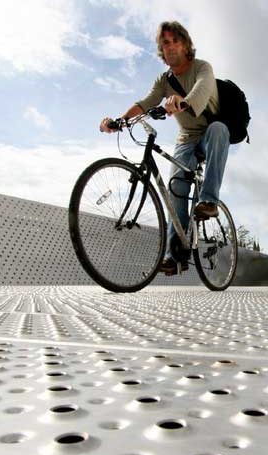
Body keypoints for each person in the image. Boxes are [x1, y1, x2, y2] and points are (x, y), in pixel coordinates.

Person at [99, 21, 229, 276]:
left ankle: (209, 200)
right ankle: (174, 256)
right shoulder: (164, 80)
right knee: (176, 189)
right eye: (165, 43)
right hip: (186, 139)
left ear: (185, 44)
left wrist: (182, 101)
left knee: (218, 130)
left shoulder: (202, 67)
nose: (169, 47)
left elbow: (201, 90)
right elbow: (146, 102)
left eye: (174, 42)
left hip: (210, 131)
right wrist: (119, 121)